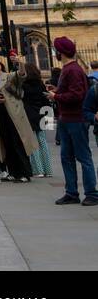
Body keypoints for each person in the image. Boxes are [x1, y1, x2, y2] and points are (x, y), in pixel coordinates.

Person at [52, 37, 98, 205]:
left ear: (61, 52)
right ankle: (71, 192)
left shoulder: (73, 70)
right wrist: (57, 92)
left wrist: (56, 96)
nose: (54, 52)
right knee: (66, 157)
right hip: (66, 118)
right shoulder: (67, 69)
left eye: (55, 49)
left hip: (76, 119)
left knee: (83, 157)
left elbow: (78, 95)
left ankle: (92, 193)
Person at [0, 62, 35, 182]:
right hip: (0, 113)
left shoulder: (9, 76)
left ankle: (24, 173)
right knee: (7, 142)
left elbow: (21, 75)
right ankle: (13, 172)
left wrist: (19, 62)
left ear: (0, 65)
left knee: (17, 141)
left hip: (12, 112)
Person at [22, 63, 53, 178]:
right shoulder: (40, 84)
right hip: (42, 113)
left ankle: (38, 170)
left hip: (30, 114)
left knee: (33, 143)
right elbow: (46, 101)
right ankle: (48, 170)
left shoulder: (24, 85)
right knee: (43, 142)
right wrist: (49, 119)